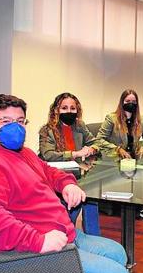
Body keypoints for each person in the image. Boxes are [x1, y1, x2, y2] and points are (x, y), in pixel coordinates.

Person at [0, 94, 129, 273]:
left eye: (20, 121)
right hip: (33, 250)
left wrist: (67, 184)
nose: (15, 127)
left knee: (118, 254)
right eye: (5, 122)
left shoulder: (22, 153)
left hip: (61, 233)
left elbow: (49, 171)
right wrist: (38, 241)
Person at [39, 92, 101, 235]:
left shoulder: (79, 126)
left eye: (72, 108)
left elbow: (96, 142)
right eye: (64, 108)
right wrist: (75, 154)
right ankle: (68, 236)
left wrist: (91, 149)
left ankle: (94, 236)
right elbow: (47, 155)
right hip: (58, 177)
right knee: (72, 206)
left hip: (79, 173)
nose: (69, 112)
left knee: (92, 199)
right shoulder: (47, 130)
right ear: (56, 110)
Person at [96, 89, 143, 160]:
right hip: (116, 156)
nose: (131, 104)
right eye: (127, 101)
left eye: (134, 102)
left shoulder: (140, 119)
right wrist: (118, 149)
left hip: (134, 155)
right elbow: (99, 139)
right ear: (122, 102)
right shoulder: (111, 118)